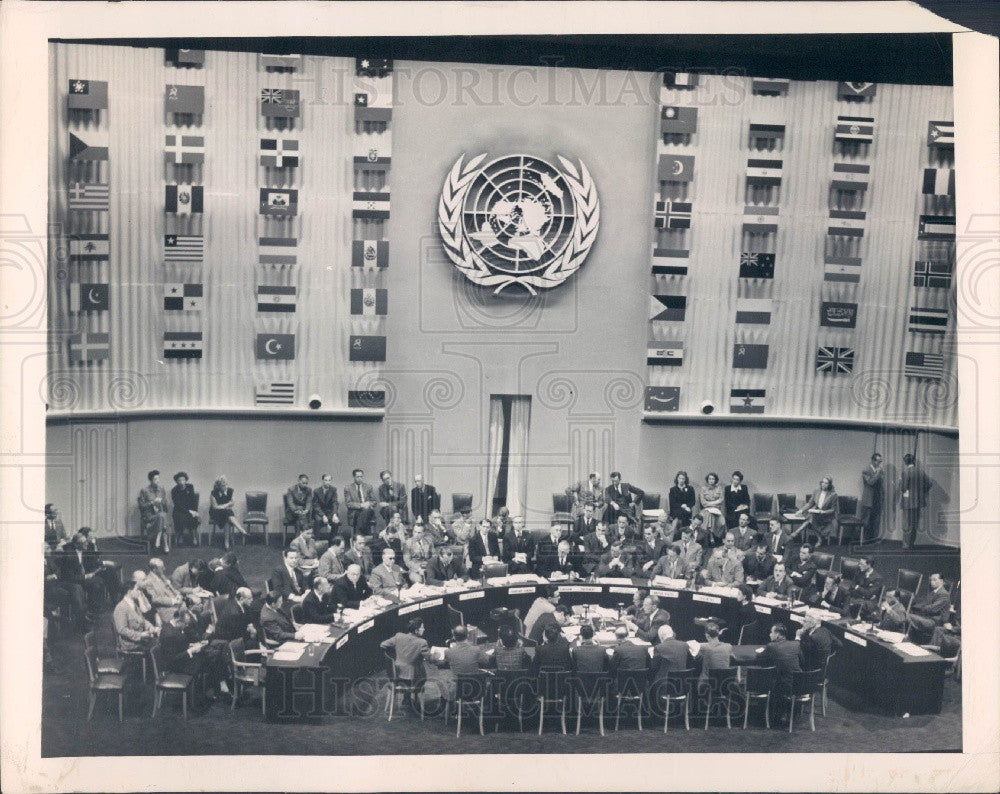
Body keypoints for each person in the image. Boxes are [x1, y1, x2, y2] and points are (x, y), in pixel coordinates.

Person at [158, 607, 227, 702]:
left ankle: (213, 690)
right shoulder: (169, 633)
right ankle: (210, 692)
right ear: (178, 620)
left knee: (213, 656)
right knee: (210, 660)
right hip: (175, 667)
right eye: (185, 623)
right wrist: (191, 650)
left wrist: (191, 645)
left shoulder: (173, 627)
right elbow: (172, 659)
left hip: (182, 660)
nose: (186, 626)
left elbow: (179, 646)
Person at [57, 533, 107, 621]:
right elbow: (70, 577)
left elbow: (92, 561)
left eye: (86, 542)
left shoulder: (85, 549)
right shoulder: (68, 555)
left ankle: (94, 610)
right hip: (71, 581)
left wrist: (99, 567)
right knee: (95, 583)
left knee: (99, 581)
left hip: (81, 576)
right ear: (76, 544)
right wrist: (86, 576)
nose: (87, 544)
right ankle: (86, 614)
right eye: (84, 543)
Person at [757, 623, 802, 711]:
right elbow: (802, 661)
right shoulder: (796, 644)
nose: (769, 634)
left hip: (784, 685)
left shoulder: (771, 646)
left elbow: (758, 658)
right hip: (800, 684)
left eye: (771, 632)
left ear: (777, 634)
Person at [381, 618, 430, 694]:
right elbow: (429, 658)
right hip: (413, 680)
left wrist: (399, 651)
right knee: (421, 670)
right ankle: (410, 698)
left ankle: (407, 698)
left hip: (396, 676)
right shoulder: (422, 642)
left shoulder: (399, 636)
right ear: (416, 630)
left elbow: (383, 645)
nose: (424, 629)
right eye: (422, 627)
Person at [113, 578, 159, 652]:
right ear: (129, 592)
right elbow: (122, 630)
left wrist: (150, 627)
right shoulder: (121, 607)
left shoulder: (134, 604)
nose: (139, 592)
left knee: (162, 642)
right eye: (137, 589)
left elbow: (142, 620)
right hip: (131, 644)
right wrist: (140, 635)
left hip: (141, 640)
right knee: (159, 647)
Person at [793, 476, 839, 546]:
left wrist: (823, 512)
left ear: (830, 485)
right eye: (822, 482)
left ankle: (796, 532)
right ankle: (819, 539)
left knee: (811, 518)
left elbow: (833, 510)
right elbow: (810, 503)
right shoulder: (816, 491)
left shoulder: (833, 495)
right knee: (811, 517)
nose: (823, 484)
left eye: (826, 483)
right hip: (816, 514)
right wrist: (801, 510)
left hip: (826, 516)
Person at [899, 453, 931, 548]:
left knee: (907, 524)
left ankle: (906, 544)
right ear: (914, 461)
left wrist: (900, 482)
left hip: (908, 502)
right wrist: (921, 492)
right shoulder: (921, 472)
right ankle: (911, 544)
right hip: (918, 502)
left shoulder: (905, 472)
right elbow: (930, 483)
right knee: (914, 524)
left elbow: (903, 488)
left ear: (905, 462)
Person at [907, 573, 951, 638]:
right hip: (927, 618)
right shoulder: (933, 592)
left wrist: (920, 607)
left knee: (908, 616)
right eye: (931, 580)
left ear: (941, 581)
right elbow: (924, 604)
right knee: (906, 613)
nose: (932, 582)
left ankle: (904, 637)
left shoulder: (944, 594)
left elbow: (932, 609)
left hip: (935, 622)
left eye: (934, 580)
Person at [141, 557, 185, 622]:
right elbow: (154, 599)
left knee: (189, 609)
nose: (164, 569)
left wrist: (177, 595)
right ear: (154, 569)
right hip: (162, 609)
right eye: (161, 568)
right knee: (185, 613)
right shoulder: (148, 581)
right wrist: (173, 600)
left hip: (173, 605)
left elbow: (169, 589)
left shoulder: (162, 576)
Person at [138, 469, 172, 553]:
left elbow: (166, 506)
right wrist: (152, 502)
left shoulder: (161, 489)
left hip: (160, 514)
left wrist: (162, 502)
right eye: (155, 479)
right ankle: (165, 544)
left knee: (162, 515)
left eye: (158, 478)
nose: (158, 481)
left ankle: (159, 537)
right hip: (149, 516)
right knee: (162, 516)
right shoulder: (144, 490)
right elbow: (141, 506)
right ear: (151, 480)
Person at [209, 475, 246, 550]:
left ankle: (226, 543)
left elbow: (233, 503)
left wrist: (223, 506)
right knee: (227, 512)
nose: (225, 486)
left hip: (226, 512)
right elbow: (215, 507)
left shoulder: (230, 491)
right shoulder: (213, 493)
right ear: (218, 486)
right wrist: (227, 504)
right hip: (215, 513)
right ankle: (241, 530)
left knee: (227, 518)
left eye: (226, 484)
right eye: (222, 485)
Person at [170, 472, 200, 546]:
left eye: (183, 480)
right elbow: (177, 505)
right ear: (176, 481)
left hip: (191, 510)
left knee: (192, 517)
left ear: (186, 480)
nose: (181, 482)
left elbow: (193, 501)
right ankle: (180, 536)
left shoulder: (190, 487)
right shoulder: (174, 490)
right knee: (179, 517)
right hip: (179, 510)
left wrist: (195, 511)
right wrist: (189, 511)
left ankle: (193, 537)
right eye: (179, 480)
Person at [311, 473, 343, 543]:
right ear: (322, 481)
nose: (327, 482)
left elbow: (335, 503)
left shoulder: (333, 489)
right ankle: (317, 543)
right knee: (318, 521)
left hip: (330, 512)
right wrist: (323, 515)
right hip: (319, 512)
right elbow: (316, 505)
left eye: (329, 480)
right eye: (326, 480)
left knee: (335, 522)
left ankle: (332, 542)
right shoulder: (316, 491)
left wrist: (334, 514)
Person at [860, 452, 884, 541]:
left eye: (881, 461)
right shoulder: (866, 470)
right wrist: (878, 474)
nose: (880, 463)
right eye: (878, 461)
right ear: (873, 461)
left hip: (877, 500)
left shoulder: (879, 471)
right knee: (866, 521)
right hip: (868, 500)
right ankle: (864, 540)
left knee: (875, 521)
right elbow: (870, 482)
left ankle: (872, 540)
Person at [345, 469, 377, 536]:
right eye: (358, 477)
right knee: (360, 515)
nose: (360, 479)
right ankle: (366, 536)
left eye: (361, 476)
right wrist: (361, 505)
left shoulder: (368, 487)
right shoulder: (348, 488)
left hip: (368, 510)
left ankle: (358, 534)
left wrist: (368, 504)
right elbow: (348, 503)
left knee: (367, 511)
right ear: (354, 477)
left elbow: (374, 501)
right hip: (355, 512)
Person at [698, 473, 726, 545]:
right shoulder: (703, 489)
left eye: (713, 479)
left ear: (715, 480)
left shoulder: (719, 488)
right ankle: (710, 538)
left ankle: (715, 537)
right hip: (706, 510)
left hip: (717, 510)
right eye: (709, 479)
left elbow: (721, 500)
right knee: (708, 517)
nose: (711, 480)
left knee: (722, 522)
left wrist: (710, 503)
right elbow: (703, 502)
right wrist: (713, 503)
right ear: (707, 480)